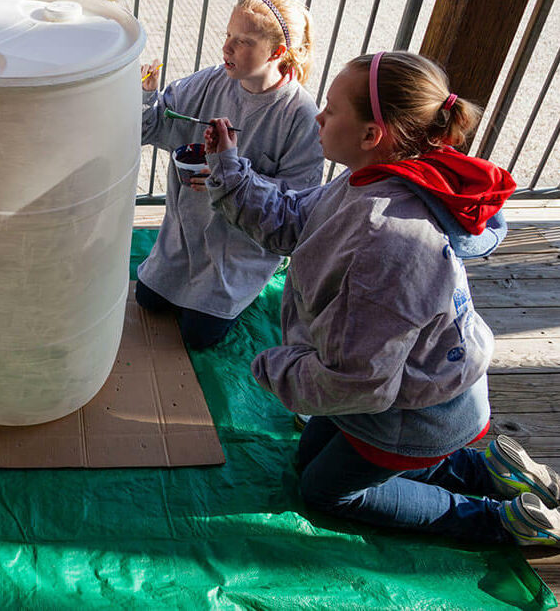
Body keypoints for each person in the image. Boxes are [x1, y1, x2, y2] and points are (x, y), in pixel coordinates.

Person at [201, 50, 560, 545]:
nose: (318, 115)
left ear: (372, 135)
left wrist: (275, 369)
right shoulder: (377, 178)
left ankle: (504, 522)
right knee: (310, 457)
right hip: (405, 384)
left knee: (325, 491)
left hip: (415, 414)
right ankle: (492, 474)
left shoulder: (388, 242)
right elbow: (291, 221)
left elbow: (360, 381)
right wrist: (228, 168)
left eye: (331, 107)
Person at [138, 0, 323, 350]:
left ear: (277, 52)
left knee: (198, 337)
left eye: (243, 41)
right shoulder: (213, 81)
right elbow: (154, 123)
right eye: (227, 36)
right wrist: (146, 94)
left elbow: (297, 204)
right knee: (148, 301)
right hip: (188, 231)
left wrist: (232, 175)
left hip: (239, 246)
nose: (227, 49)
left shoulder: (300, 115)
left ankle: (255, 277)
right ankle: (184, 278)